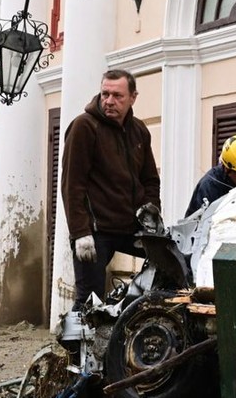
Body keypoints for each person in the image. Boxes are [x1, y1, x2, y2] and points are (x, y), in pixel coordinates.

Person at [61, 69, 162, 310]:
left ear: (133, 97)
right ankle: (76, 348)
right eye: (105, 93)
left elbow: (150, 180)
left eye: (117, 95)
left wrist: (151, 215)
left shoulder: (139, 130)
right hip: (96, 231)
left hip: (131, 227)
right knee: (89, 299)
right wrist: (80, 233)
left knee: (169, 264)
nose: (109, 101)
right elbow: (72, 184)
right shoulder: (84, 127)